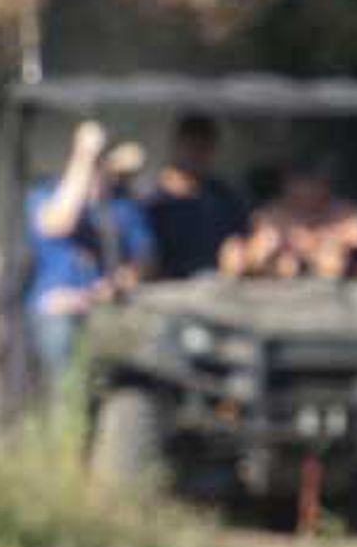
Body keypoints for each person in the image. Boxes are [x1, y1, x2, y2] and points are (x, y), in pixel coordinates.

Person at [21, 118, 152, 381]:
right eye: (96, 162)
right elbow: (58, 223)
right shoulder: (45, 193)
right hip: (54, 312)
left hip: (108, 310)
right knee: (60, 331)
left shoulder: (124, 207)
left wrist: (108, 288)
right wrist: (85, 155)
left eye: (103, 162)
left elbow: (145, 261)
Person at [221, 153, 357, 280]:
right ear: (286, 184)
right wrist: (256, 254)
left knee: (329, 261)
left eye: (313, 181)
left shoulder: (347, 214)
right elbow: (246, 256)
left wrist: (333, 251)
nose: (307, 190)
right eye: (299, 181)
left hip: (338, 299)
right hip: (275, 298)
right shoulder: (270, 214)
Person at [141, 111, 249, 278]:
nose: (197, 154)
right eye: (192, 146)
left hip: (218, 286)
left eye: (205, 147)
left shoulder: (224, 196)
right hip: (166, 288)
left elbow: (240, 238)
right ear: (178, 145)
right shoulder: (153, 198)